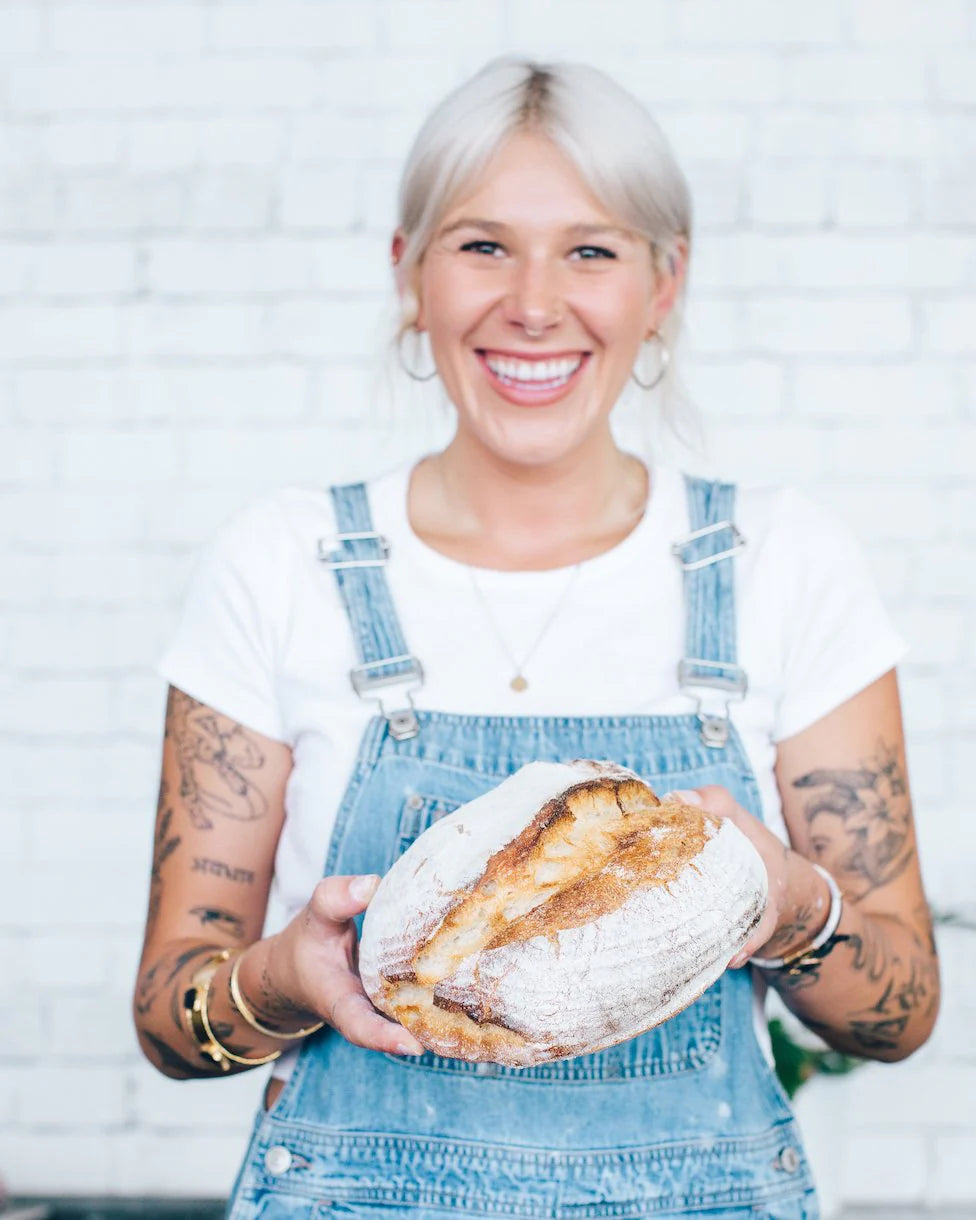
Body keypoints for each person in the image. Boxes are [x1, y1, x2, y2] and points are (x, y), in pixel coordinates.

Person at [134, 56, 940, 1220]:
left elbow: (903, 1009)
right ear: (407, 272)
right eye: (481, 244)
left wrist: (790, 905)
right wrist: (283, 971)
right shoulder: (280, 563)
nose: (533, 302)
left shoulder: (785, 563)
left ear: (665, 282)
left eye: (592, 249)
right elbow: (170, 1015)